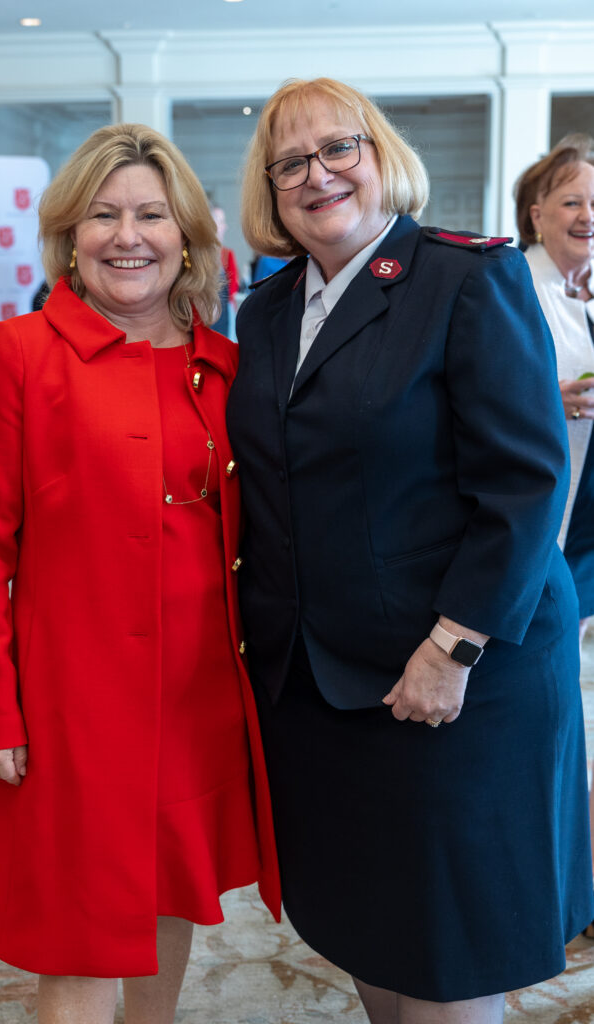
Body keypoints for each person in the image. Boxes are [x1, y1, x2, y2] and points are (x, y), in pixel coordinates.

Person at [226, 77, 594, 1024]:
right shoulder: (263, 312)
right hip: (316, 684)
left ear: (381, 155)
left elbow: (522, 483)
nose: (318, 175)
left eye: (338, 148)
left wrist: (453, 645)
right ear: (269, 192)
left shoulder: (465, 277)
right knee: (365, 922)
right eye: (290, 162)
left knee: (446, 948)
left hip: (452, 680)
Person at [0, 123, 280, 1024]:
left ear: (187, 236)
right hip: (73, 699)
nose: (126, 235)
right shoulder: (16, 355)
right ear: (69, 233)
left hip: (198, 692)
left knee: (169, 890)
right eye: (102, 215)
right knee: (82, 930)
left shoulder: (228, 369)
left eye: (149, 214)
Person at [514, 133, 594, 938]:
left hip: (586, 517)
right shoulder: (518, 289)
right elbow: (492, 403)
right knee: (554, 708)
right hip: (551, 530)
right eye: (570, 199)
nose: (586, 215)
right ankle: (559, 884)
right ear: (535, 212)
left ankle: (578, 875)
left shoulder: (583, 295)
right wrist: (552, 398)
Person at [209, 204, 240, 337]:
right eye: (221, 222)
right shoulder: (199, 255)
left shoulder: (226, 254)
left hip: (224, 312)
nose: (225, 226)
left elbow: (233, 287)